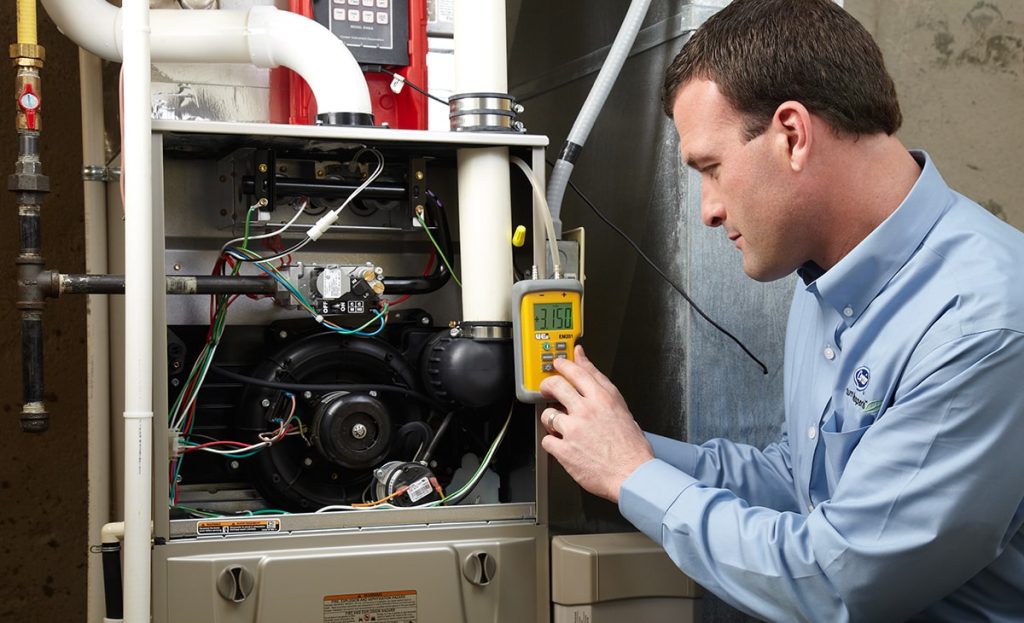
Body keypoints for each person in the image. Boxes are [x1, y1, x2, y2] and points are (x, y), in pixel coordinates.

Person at [537, 0, 1024, 620]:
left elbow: (837, 580)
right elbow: (801, 482)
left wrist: (633, 477)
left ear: (792, 135)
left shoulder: (982, 322)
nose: (708, 209)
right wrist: (612, 442)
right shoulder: (827, 278)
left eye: (710, 169)